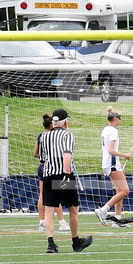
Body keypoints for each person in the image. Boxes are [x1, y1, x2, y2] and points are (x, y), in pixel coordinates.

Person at [37, 108, 92, 254]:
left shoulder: (44, 136)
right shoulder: (68, 134)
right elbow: (67, 156)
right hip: (64, 176)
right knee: (73, 209)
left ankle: (51, 244)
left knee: (49, 211)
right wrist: (67, 175)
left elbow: (42, 160)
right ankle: (76, 242)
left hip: (48, 176)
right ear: (65, 122)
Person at [94, 107, 132, 224]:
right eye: (119, 117)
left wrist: (118, 161)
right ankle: (103, 210)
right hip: (112, 164)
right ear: (115, 118)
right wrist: (125, 155)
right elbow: (110, 150)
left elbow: (104, 149)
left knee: (119, 191)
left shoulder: (105, 129)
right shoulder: (113, 131)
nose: (120, 120)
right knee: (125, 191)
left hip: (109, 163)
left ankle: (117, 220)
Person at [32, 113, 68, 231]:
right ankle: (62, 222)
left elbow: (35, 154)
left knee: (42, 195)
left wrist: (44, 156)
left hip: (42, 167)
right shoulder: (53, 137)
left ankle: (42, 223)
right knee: (56, 195)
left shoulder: (41, 136)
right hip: (53, 168)